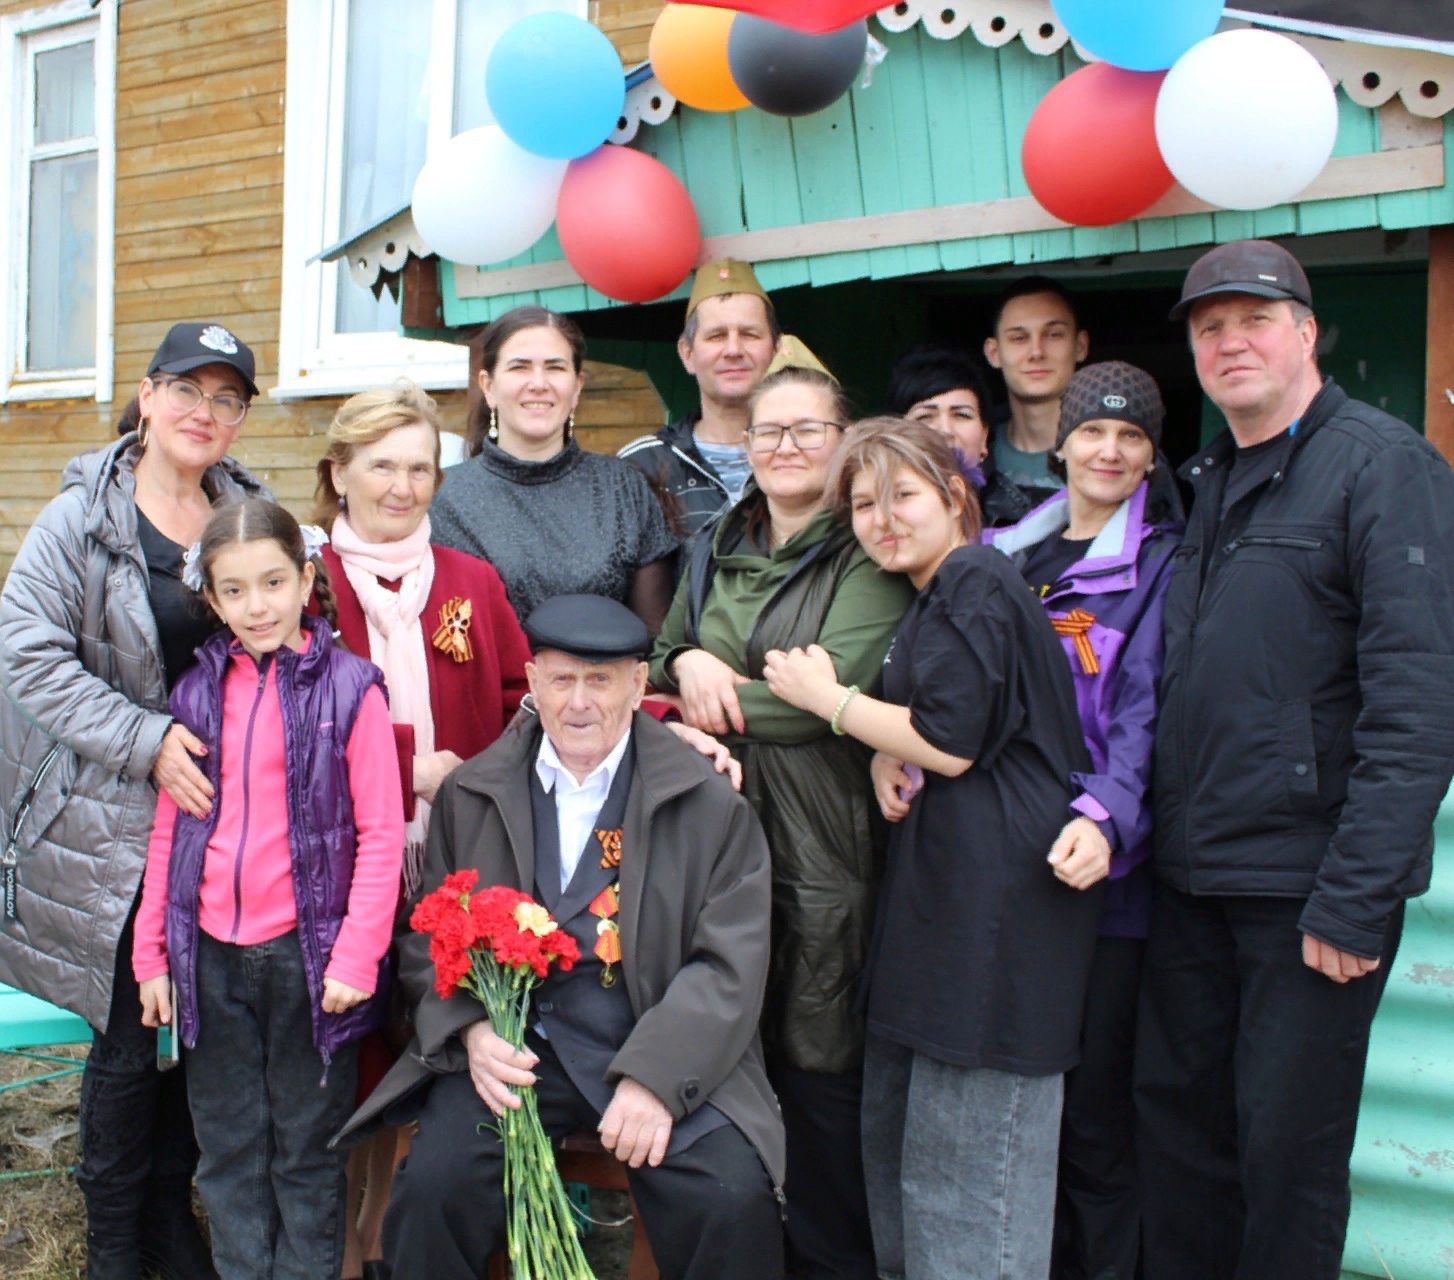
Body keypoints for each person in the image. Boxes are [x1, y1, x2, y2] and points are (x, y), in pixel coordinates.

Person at [1137, 239, 1454, 1279]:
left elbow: (1416, 701)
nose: (1230, 341)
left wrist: (1356, 897)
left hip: (1303, 894)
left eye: (1253, 319)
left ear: (1305, 334)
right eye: (1208, 326)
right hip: (1189, 877)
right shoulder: (1210, 474)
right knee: (1181, 1142)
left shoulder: (1383, 465)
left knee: (1288, 1156)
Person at [341, 593, 786, 1280]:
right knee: (433, 1191)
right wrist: (471, 1033)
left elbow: (730, 965)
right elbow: (427, 941)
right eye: (562, 679)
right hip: (519, 1055)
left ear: (639, 686)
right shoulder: (473, 793)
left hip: (656, 1047)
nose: (579, 703)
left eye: (601, 680)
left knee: (731, 1201)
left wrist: (655, 1079)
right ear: (534, 679)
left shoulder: (710, 804)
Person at [764, 418, 1102, 1279]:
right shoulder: (939, 591)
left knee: (971, 1171)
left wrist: (828, 700)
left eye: (904, 496)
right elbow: (948, 727)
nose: (884, 520)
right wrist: (886, 745)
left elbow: (952, 738)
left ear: (956, 496)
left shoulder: (978, 578)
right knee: (918, 1164)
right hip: (947, 900)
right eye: (865, 505)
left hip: (998, 915)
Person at [0, 322, 267, 1280]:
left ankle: (168, 1214)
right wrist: (147, 742)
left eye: (227, 398)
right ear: (147, 398)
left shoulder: (250, 512)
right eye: (187, 391)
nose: (205, 412)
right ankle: (114, 1240)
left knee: (197, 1023)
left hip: (224, 821)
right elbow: (26, 652)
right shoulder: (81, 519)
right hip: (109, 819)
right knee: (128, 1032)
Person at [650, 367, 916, 1280]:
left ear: (844, 439)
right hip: (711, 835)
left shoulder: (868, 553)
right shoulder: (718, 542)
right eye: (768, 432)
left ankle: (835, 1263)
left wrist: (705, 702)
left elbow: (823, 700)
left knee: (816, 1068)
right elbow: (659, 657)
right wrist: (686, 660)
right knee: (725, 1056)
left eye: (808, 430)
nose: (786, 448)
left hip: (821, 839)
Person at [131, 498, 405, 1280]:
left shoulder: (353, 691)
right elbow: (169, 833)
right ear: (212, 600)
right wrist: (155, 953)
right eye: (236, 590)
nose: (259, 606)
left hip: (311, 963)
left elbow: (381, 833)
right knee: (228, 1150)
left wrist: (357, 954)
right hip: (211, 960)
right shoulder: (193, 696)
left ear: (307, 580)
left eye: (274, 582)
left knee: (306, 1153)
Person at [312, 379, 533, 1280]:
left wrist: (468, 779)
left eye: (419, 468)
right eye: (381, 466)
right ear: (340, 471)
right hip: (343, 860)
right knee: (355, 1052)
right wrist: (407, 768)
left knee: (436, 1040)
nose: (401, 487)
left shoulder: (472, 583)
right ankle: (347, 1238)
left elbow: (524, 704)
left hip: (458, 862)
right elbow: (290, 726)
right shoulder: (310, 583)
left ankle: (399, 1233)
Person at [984, 363, 1184, 1280]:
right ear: (1058, 440)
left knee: (1097, 1116)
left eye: (1131, 436)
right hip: (1004, 865)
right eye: (1092, 431)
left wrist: (1107, 817)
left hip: (1104, 877)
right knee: (1021, 1112)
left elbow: (1148, 713)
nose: (1108, 450)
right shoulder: (1001, 553)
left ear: (1150, 456)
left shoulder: (1162, 566)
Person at [429, 306, 678, 631]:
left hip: (603, 680)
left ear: (576, 387)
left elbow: (655, 633)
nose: (538, 383)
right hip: (488, 682)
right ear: (488, 386)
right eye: (519, 367)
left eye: (555, 368)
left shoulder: (623, 488)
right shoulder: (443, 499)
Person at [619, 258, 780, 557]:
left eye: (750, 334)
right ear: (688, 353)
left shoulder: (810, 453)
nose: (733, 350)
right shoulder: (640, 465)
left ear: (776, 349)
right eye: (716, 336)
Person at [885, 343, 1034, 527]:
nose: (945, 431)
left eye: (961, 415)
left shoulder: (1026, 521)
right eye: (925, 417)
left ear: (984, 436)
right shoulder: (875, 517)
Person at [983, 276, 1089, 511]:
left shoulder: (1114, 453)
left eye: (1054, 334)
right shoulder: (975, 455)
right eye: (1019, 338)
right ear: (993, 352)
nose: (1037, 352)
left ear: (1080, 346)